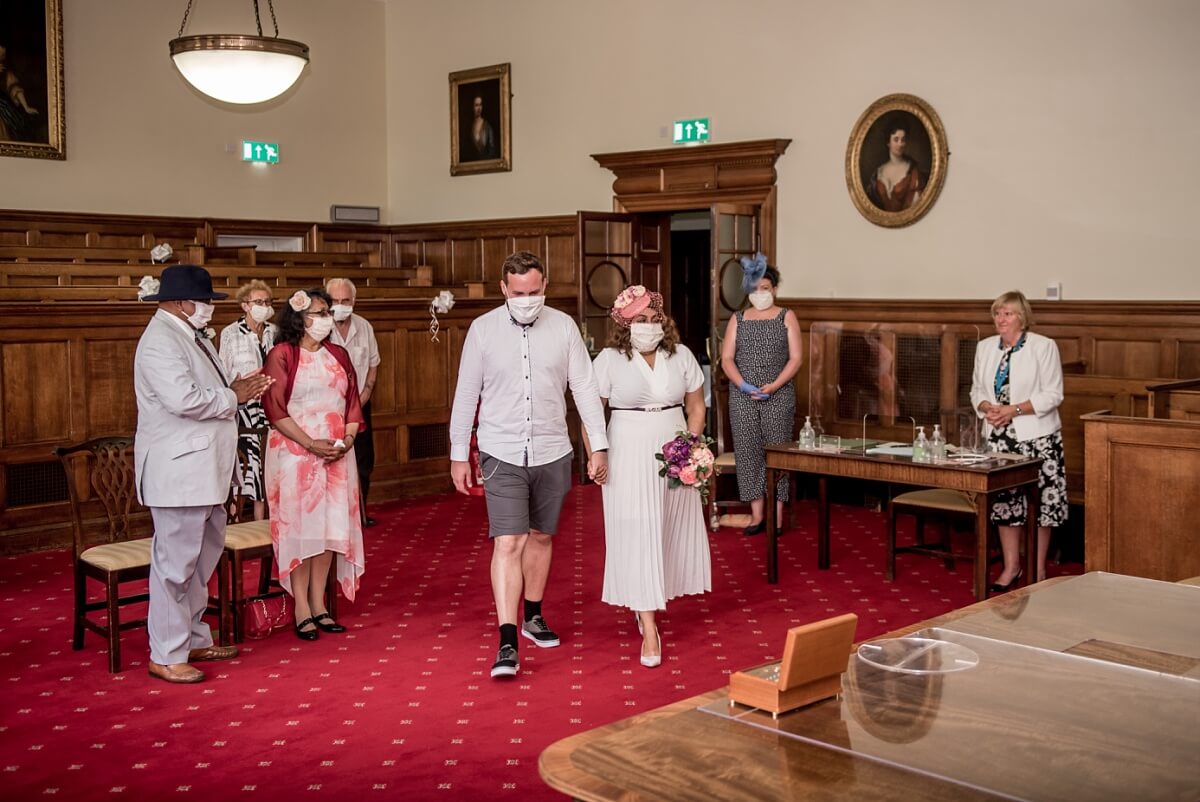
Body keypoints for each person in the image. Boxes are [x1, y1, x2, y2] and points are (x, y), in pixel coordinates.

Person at [448, 251, 609, 679]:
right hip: (500, 449)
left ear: (545, 286)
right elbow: (466, 395)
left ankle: (533, 616)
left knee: (540, 536)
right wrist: (458, 453)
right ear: (504, 289)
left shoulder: (564, 327)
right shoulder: (482, 331)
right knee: (509, 541)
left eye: (534, 292)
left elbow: (586, 389)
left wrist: (600, 446)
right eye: (518, 293)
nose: (526, 299)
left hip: (553, 448)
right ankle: (507, 640)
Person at [134, 264, 272, 683]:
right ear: (179, 302)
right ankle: (166, 652)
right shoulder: (159, 341)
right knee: (175, 565)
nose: (209, 308)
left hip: (206, 471)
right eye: (205, 301)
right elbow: (184, 400)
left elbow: (211, 386)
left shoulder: (190, 335)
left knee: (200, 562)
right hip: (180, 473)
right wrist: (234, 395)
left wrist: (237, 385)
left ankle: (192, 636)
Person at [591, 285, 710, 668]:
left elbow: (695, 405)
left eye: (653, 318)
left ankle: (649, 596)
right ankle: (649, 625)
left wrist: (692, 448)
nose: (648, 325)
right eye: (639, 320)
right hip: (627, 449)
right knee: (638, 528)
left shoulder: (682, 355)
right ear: (625, 325)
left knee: (667, 528)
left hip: (673, 450)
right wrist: (597, 453)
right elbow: (593, 412)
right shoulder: (609, 359)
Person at [262, 288, 365, 640]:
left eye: (326, 313)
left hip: (336, 452)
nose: (325, 320)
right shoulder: (282, 354)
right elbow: (275, 408)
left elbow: (353, 401)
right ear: (298, 318)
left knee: (330, 529)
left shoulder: (338, 353)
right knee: (302, 529)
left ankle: (319, 601)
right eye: (318, 314)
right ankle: (301, 608)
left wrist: (347, 441)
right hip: (295, 452)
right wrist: (309, 443)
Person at [970, 290, 1067, 591]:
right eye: (997, 313)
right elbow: (976, 390)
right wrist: (987, 408)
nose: (1001, 319)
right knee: (1004, 504)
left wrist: (1013, 410)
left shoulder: (1043, 346)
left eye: (1007, 313)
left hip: (1037, 437)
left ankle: (1036, 570)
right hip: (998, 436)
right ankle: (1011, 567)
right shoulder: (985, 347)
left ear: (1021, 317)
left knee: (1042, 504)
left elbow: (1053, 394)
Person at [720, 253, 803, 536]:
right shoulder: (738, 318)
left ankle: (777, 517)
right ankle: (757, 517)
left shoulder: (786, 316)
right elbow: (727, 358)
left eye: (765, 289)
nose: (760, 294)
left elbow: (796, 359)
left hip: (777, 395)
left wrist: (774, 385)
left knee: (777, 454)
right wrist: (743, 385)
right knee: (748, 453)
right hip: (742, 395)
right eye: (754, 289)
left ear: (775, 289)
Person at [218, 280, 278, 521]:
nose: (264, 306)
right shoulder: (231, 333)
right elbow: (225, 373)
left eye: (267, 302)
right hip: (245, 408)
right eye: (258, 302)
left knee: (268, 464)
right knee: (248, 465)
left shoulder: (274, 331)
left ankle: (266, 521)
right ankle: (236, 521)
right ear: (245, 305)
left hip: (270, 405)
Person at [326, 278, 381, 527]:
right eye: (335, 301)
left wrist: (365, 394)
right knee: (334, 460)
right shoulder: (322, 328)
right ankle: (337, 518)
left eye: (345, 301)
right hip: (330, 408)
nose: (340, 305)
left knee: (363, 460)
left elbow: (373, 364)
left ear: (354, 301)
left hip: (360, 404)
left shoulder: (364, 326)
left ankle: (360, 513)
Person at [868, 122, 924, 212]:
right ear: (888, 142)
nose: (900, 144)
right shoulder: (878, 172)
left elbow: (916, 206)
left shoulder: (912, 171)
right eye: (896, 139)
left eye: (903, 140)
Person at [0, 45, 39, 142]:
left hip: (3, 106)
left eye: (3, 55)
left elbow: (15, 88)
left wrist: (26, 107)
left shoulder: (6, 72)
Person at [470, 95, 497, 160]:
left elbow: (492, 150)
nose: (479, 108)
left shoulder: (487, 126)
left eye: (480, 105)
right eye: (476, 105)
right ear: (472, 107)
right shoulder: (468, 127)